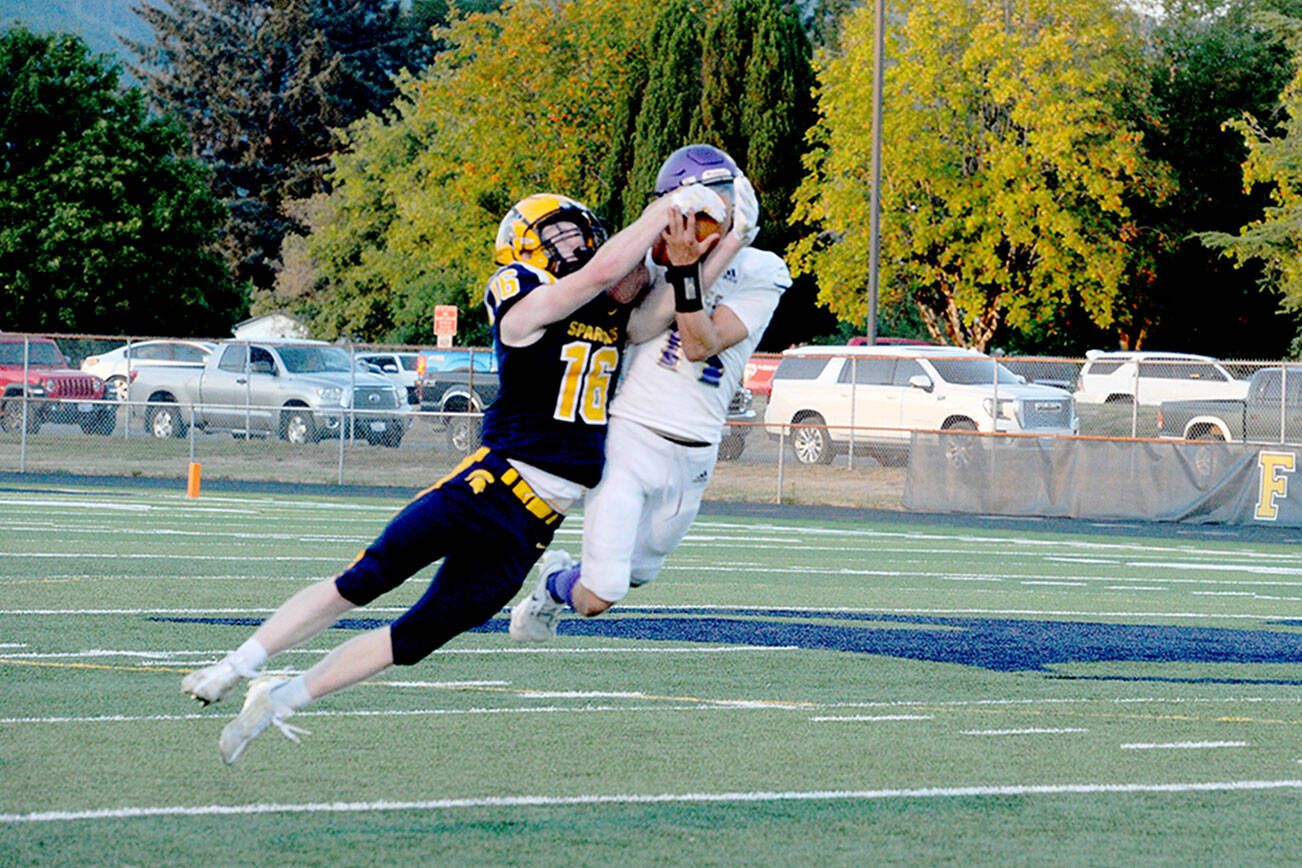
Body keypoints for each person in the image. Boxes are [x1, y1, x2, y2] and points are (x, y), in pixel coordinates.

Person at [181, 184, 727, 763]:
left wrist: (735, 230)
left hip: (535, 525)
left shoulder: (612, 314)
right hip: (488, 486)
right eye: (557, 234)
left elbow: (676, 297)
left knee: (416, 639)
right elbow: (603, 271)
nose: (572, 242)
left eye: (576, 231)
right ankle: (235, 665)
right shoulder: (523, 296)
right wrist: (658, 213)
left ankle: (281, 699)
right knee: (366, 578)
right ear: (526, 249)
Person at [509, 144, 790, 639]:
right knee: (600, 595)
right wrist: (656, 241)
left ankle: (557, 578)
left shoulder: (761, 269)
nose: (710, 214)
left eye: (722, 198)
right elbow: (626, 311)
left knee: (638, 575)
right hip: (631, 437)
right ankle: (556, 589)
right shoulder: (660, 258)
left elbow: (701, 343)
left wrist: (704, 257)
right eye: (699, 202)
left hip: (696, 451)